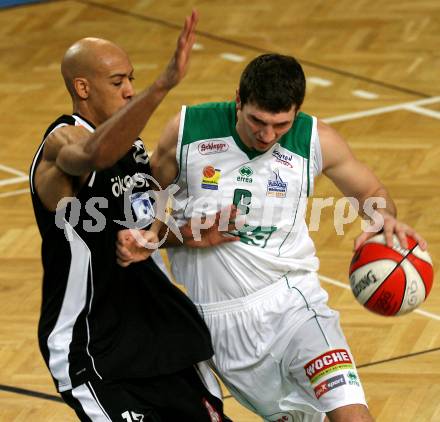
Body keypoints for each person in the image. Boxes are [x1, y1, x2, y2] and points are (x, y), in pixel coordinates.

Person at [117, 53, 427, 422]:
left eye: (280, 124)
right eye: (257, 121)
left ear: (297, 112)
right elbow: (143, 218)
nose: (267, 135)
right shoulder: (187, 132)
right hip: (218, 325)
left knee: (351, 415)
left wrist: (383, 218)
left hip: (294, 305)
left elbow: (369, 190)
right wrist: (187, 235)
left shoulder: (316, 139)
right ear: (238, 100)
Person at [29, 11, 232, 421]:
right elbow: (93, 155)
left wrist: (181, 232)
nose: (129, 92)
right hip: (94, 344)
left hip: (159, 331)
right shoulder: (61, 142)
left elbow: (144, 228)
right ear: (82, 87)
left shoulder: (135, 151)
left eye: (133, 81)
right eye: (118, 82)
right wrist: (163, 84)